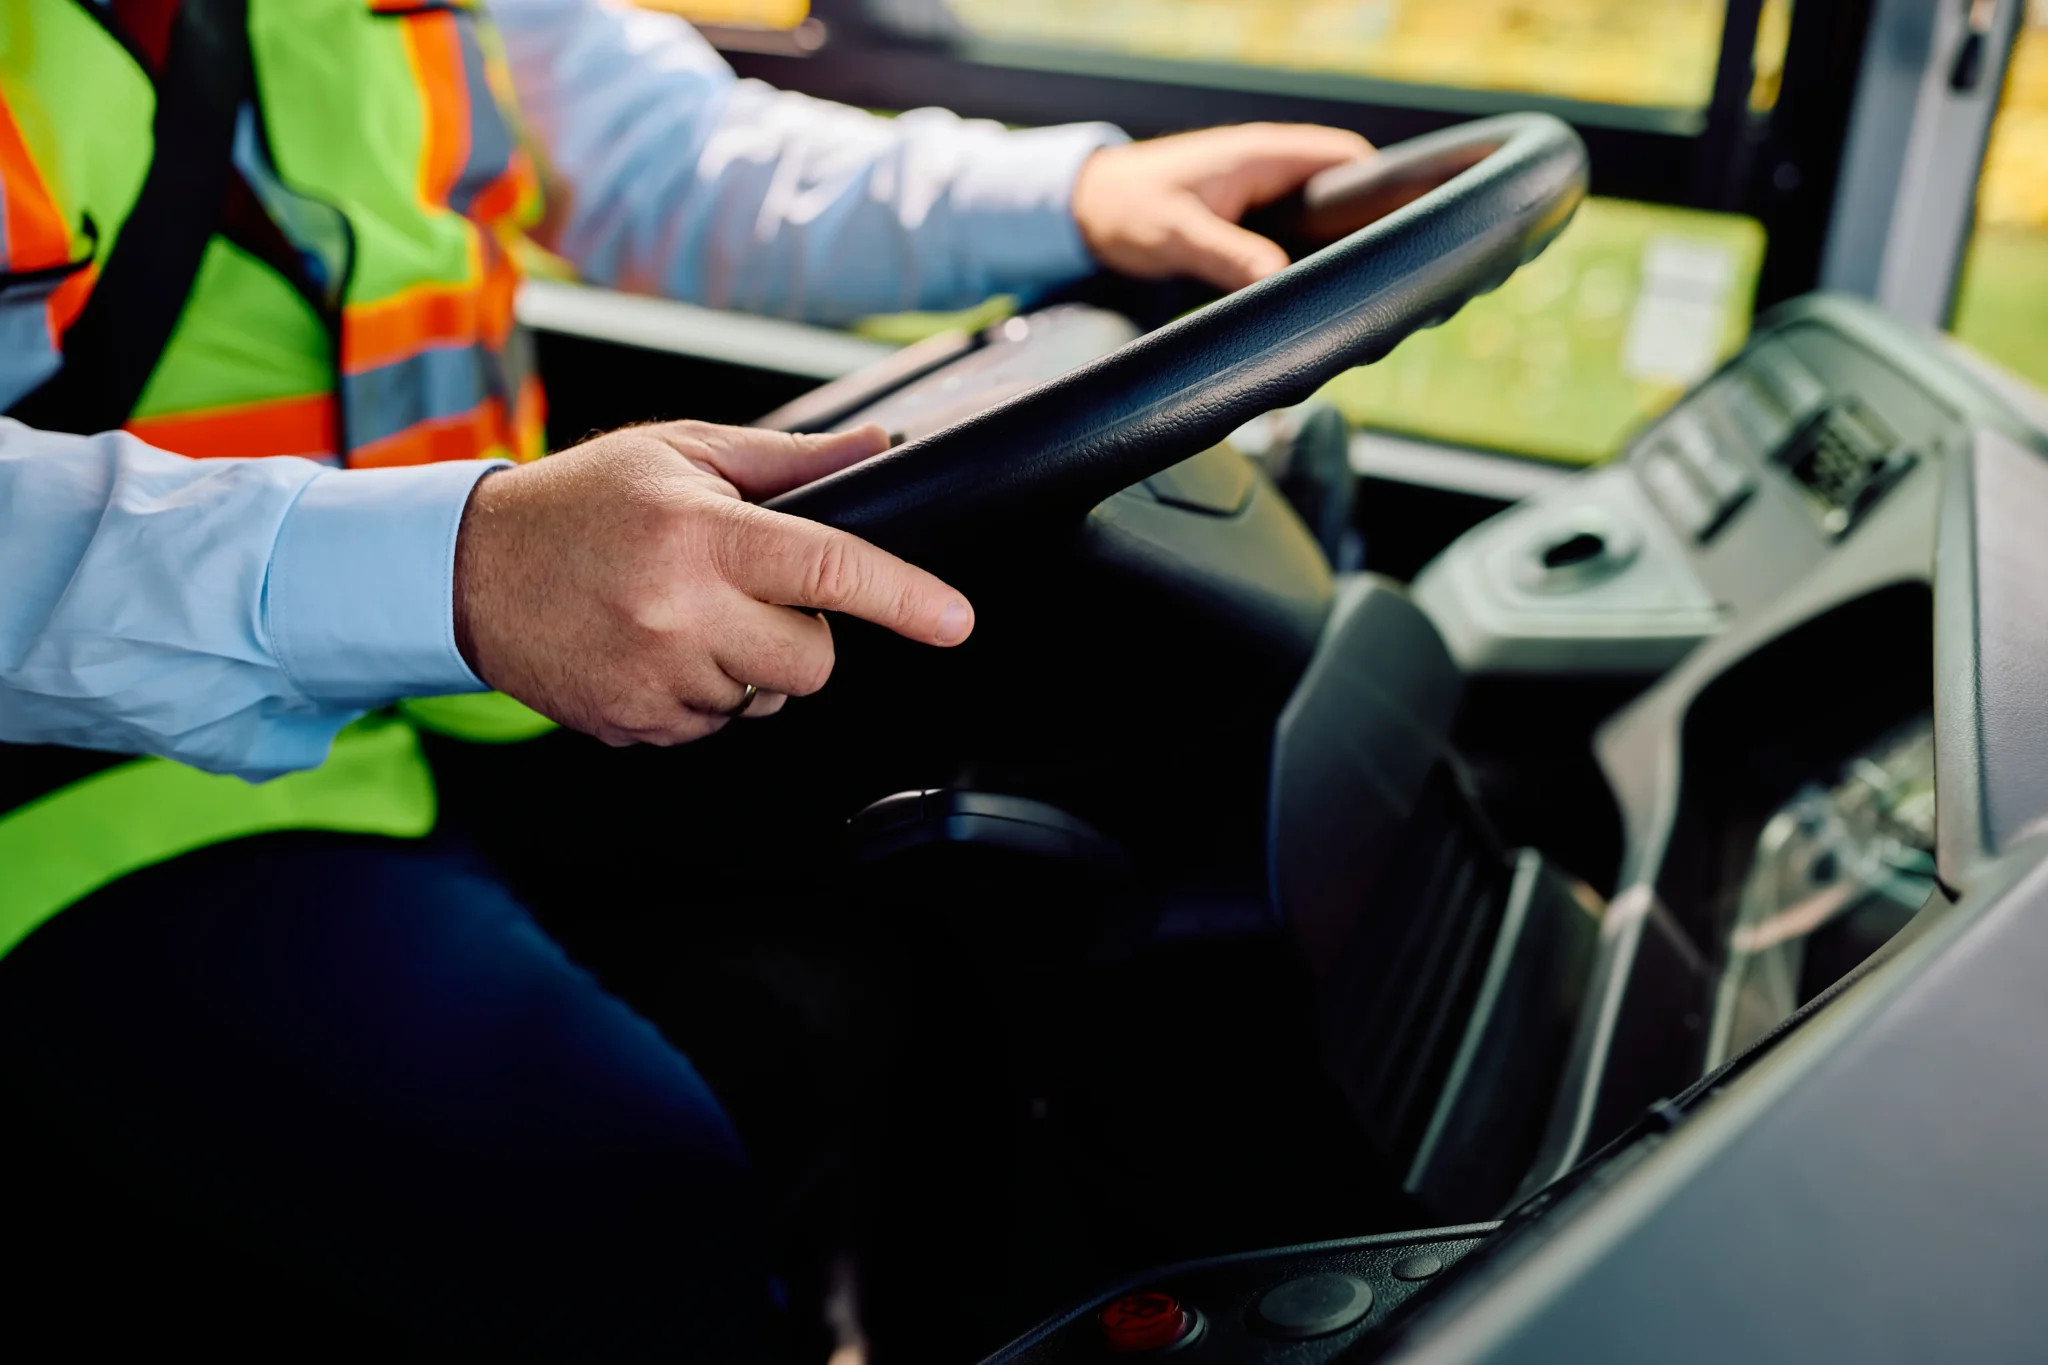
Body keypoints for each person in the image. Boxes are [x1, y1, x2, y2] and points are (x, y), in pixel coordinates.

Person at [0, 0, 1370, 1353]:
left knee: (1022, 868)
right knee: (603, 1188)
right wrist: (458, 566)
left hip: (440, 692)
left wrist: (1079, 193)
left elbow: (669, 151)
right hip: (88, 789)